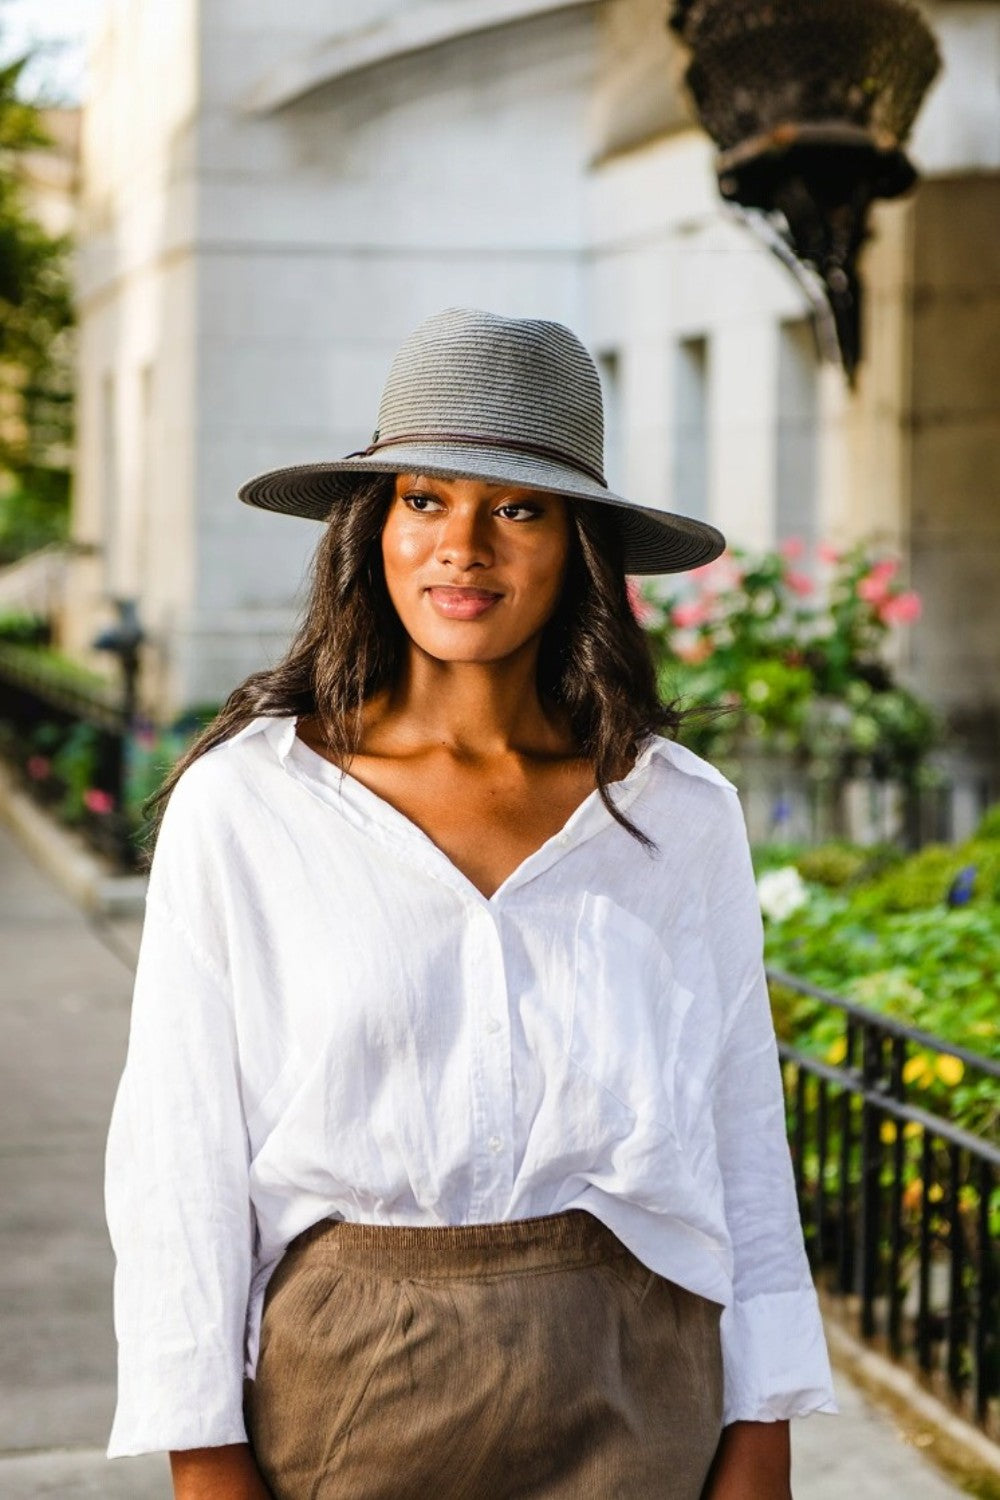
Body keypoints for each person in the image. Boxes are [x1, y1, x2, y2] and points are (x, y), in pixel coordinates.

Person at [105, 307, 838, 1500]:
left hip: (640, 1387)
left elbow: (740, 1132)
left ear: (579, 545)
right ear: (372, 528)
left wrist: (762, 1431)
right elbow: (179, 1157)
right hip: (351, 1390)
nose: (464, 547)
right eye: (424, 500)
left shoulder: (677, 814)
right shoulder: (249, 805)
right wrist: (206, 1458)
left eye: (518, 508)